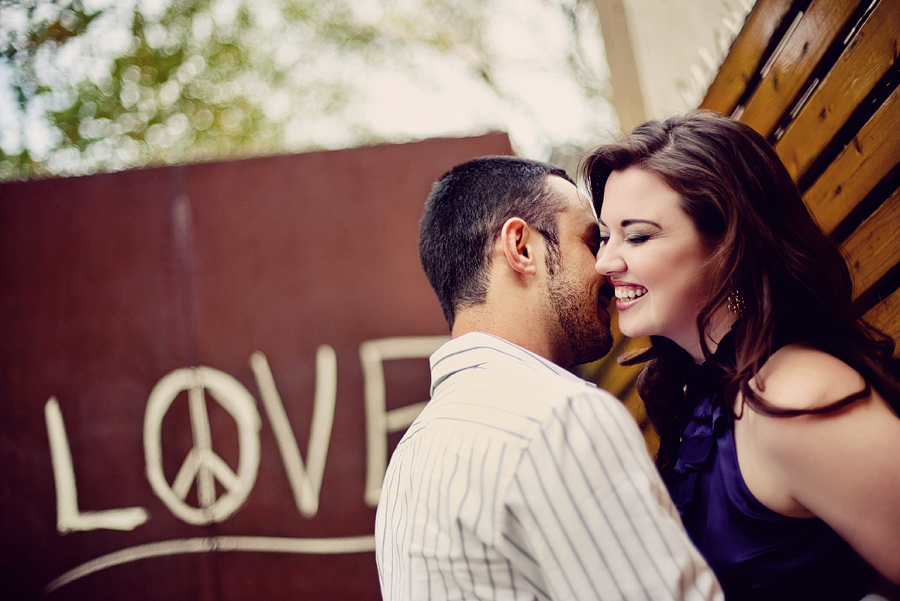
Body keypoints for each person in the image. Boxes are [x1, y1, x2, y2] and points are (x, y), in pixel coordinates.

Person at [374, 155, 724, 601]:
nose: (606, 265)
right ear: (521, 247)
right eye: (591, 240)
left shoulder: (409, 458)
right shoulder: (561, 417)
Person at [584, 110, 900, 601]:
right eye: (606, 236)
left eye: (639, 235)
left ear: (728, 243)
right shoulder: (703, 397)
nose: (606, 261)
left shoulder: (797, 397)